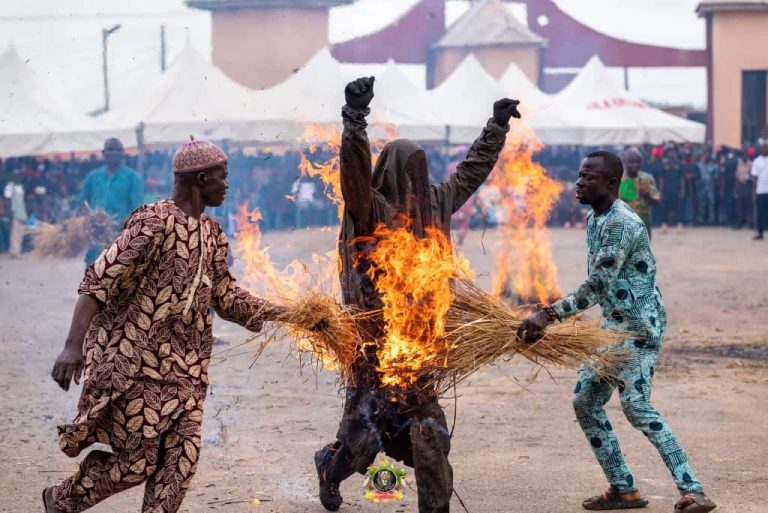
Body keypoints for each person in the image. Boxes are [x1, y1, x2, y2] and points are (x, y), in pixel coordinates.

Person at [44, 139, 285, 513]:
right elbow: (98, 281)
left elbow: (225, 295)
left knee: (181, 461)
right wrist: (72, 347)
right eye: (223, 178)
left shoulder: (213, 234)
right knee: (136, 463)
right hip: (136, 365)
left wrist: (284, 313)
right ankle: (61, 500)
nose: (227, 185)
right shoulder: (152, 222)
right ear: (201, 179)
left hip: (186, 371)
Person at [313, 76, 518, 513]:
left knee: (429, 439)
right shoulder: (370, 211)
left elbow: (472, 171)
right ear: (386, 176)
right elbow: (351, 175)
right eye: (410, 175)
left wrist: (496, 127)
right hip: (373, 349)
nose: (417, 186)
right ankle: (330, 468)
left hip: (420, 350)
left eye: (422, 175)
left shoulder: (436, 203)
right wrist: (355, 120)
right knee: (363, 441)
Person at [517, 151, 717, 513]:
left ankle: (694, 489)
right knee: (585, 402)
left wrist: (548, 314)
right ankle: (623, 488)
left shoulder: (622, 223)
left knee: (636, 406)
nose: (578, 183)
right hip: (613, 327)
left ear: (611, 184)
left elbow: (597, 284)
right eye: (579, 175)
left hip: (638, 326)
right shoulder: (596, 218)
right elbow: (602, 287)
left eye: (588, 177)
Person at [77, 138, 144, 265]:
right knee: (93, 272)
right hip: (95, 236)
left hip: (120, 235)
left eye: (118, 150)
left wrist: (122, 224)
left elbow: (138, 209)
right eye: (110, 150)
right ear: (103, 153)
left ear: (123, 153)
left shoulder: (133, 177)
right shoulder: (93, 176)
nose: (114, 153)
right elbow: (82, 201)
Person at [619, 148, 660, 237]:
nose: (635, 165)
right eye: (631, 162)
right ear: (625, 162)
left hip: (643, 222)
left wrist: (648, 198)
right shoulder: (618, 180)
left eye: (638, 162)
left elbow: (657, 202)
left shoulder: (647, 179)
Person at [3, 168, 28, 257]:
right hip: (14, 212)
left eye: (19, 176)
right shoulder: (9, 186)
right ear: (13, 177)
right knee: (14, 232)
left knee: (21, 232)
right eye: (16, 176)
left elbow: (22, 201)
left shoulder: (21, 187)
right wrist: (9, 213)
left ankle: (18, 250)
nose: (18, 177)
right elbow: (7, 200)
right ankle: (14, 251)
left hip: (22, 212)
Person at [750, 144, 768, 240]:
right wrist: (754, 191)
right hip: (761, 190)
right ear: (761, 149)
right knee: (760, 212)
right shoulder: (757, 161)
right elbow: (754, 177)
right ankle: (760, 233)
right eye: (764, 148)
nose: (766, 150)